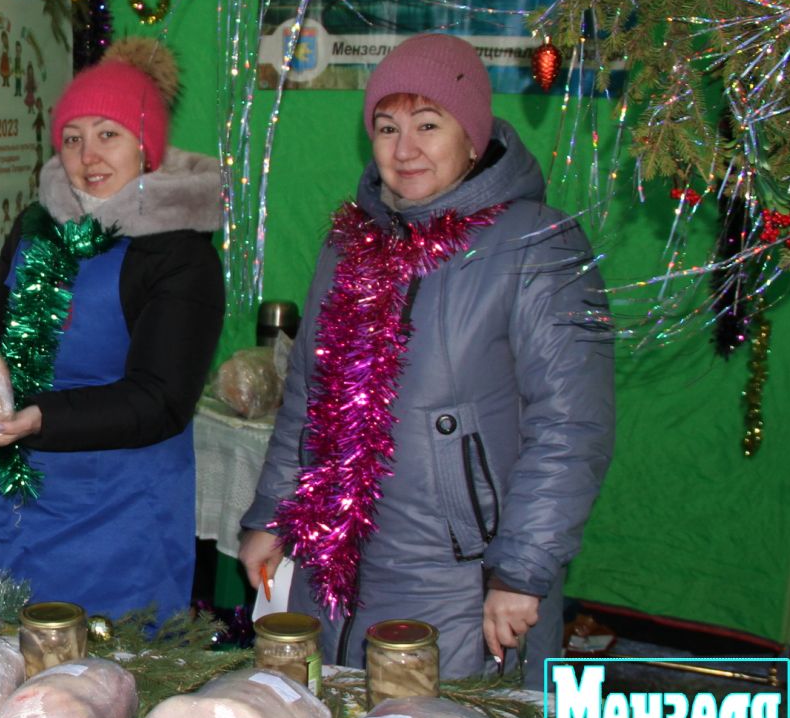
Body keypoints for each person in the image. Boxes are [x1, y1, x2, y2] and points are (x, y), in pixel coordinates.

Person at [236, 33, 614, 678]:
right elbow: (306, 396)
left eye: (428, 125)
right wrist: (273, 516)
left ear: (472, 136)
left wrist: (521, 572)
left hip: (466, 585)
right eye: (386, 128)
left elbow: (572, 428)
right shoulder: (350, 244)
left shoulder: (538, 246)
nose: (404, 149)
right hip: (336, 570)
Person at [0, 38, 225, 619]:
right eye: (73, 138)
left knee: (104, 686)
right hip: (14, 499)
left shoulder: (180, 255)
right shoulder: (36, 226)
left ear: (146, 147)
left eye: (109, 134)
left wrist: (37, 417)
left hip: (121, 516)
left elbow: (161, 398)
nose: (88, 156)